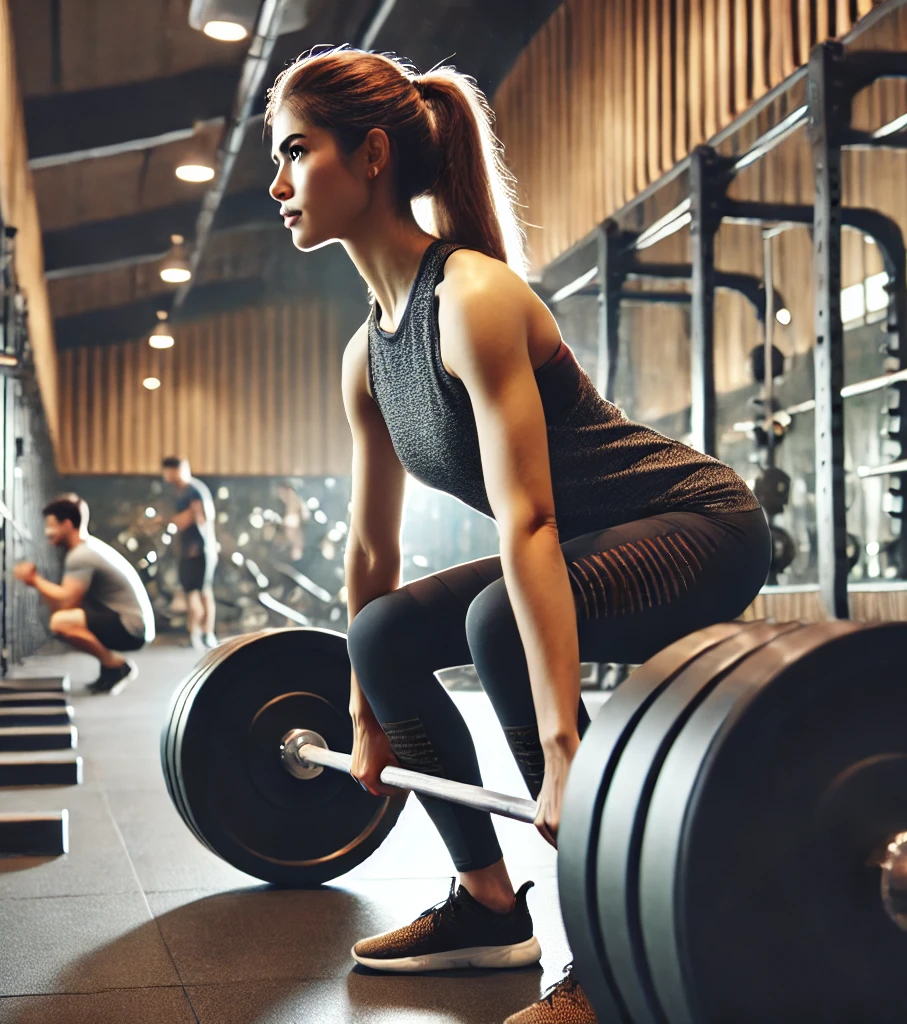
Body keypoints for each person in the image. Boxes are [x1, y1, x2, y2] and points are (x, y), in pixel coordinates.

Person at [266, 47, 770, 1024]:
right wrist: (367, 709)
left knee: (502, 619)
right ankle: (488, 906)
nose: (278, 185)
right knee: (379, 637)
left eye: (296, 152)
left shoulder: (475, 299)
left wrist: (564, 742)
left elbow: (529, 520)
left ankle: (603, 959)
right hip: (590, 544)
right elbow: (371, 554)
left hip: (698, 525)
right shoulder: (366, 355)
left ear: (371, 155)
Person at [14, 495, 155, 695]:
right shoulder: (87, 549)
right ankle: (109, 668)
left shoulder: (81, 555)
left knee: (60, 622)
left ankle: (115, 665)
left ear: (68, 524)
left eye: (51, 526)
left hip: (131, 627)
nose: (47, 533)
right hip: (130, 623)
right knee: (62, 620)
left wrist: (34, 580)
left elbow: (65, 603)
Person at [160, 457, 218, 651]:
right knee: (194, 593)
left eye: (169, 471)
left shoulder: (195, 490)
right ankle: (196, 634)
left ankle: (204, 634)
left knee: (201, 593)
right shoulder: (182, 492)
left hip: (199, 550)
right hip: (188, 550)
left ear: (180, 470)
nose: (166, 475)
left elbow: (202, 517)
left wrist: (176, 522)